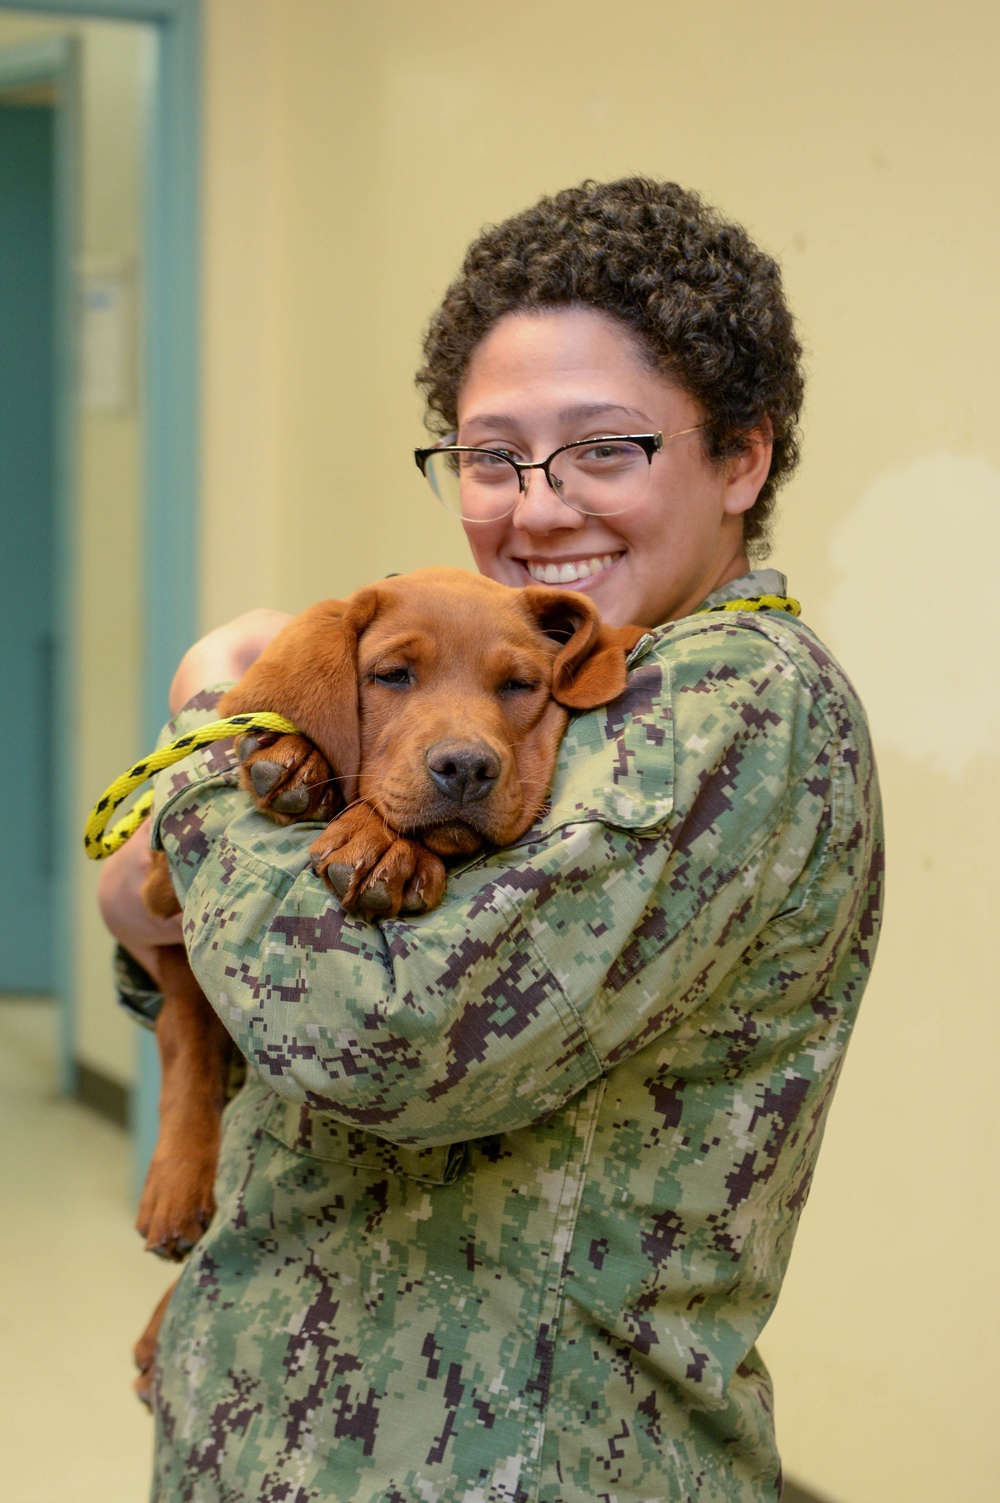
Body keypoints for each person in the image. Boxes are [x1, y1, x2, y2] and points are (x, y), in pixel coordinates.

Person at [101, 178, 884, 1503]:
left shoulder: (734, 703)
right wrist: (165, 918)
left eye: (603, 450)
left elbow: (374, 1032)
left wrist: (206, 745)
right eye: (488, 455)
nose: (536, 508)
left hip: (520, 1464)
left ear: (741, 456)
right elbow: (251, 989)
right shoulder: (554, 668)